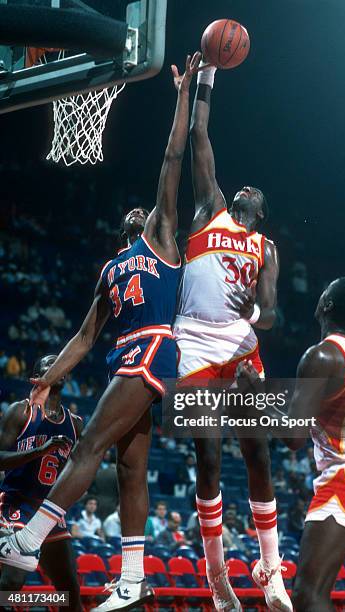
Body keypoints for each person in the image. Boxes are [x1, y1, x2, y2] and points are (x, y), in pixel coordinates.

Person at [0, 52, 202, 612]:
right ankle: (133, 578)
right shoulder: (112, 269)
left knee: (88, 445)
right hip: (123, 357)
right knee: (130, 466)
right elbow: (85, 338)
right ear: (124, 228)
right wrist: (47, 380)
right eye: (136, 213)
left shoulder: (162, 240)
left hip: (153, 349)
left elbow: (172, 159)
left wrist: (184, 96)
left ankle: (27, 539)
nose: (147, 210)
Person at [172, 61, 292, 611]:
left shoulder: (266, 248)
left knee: (259, 457)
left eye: (254, 192)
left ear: (261, 213)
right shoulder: (209, 209)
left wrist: (257, 318)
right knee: (210, 460)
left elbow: (272, 314)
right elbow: (199, 134)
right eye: (241, 186)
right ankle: (218, 575)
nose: (243, 187)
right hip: (196, 341)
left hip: (242, 347)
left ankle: (272, 572)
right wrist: (208, 77)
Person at [238, 276, 345, 612]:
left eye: (323, 290)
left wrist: (255, 395)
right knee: (313, 591)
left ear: (326, 304)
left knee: (307, 594)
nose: (320, 294)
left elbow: (294, 438)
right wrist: (342, 411)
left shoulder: (321, 356)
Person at [0, 355, 82, 611]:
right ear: (35, 377)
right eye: (50, 364)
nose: (58, 366)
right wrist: (40, 450)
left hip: (48, 511)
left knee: (70, 592)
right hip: (16, 503)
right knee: (11, 584)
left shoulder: (75, 423)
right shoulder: (19, 411)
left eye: (62, 363)